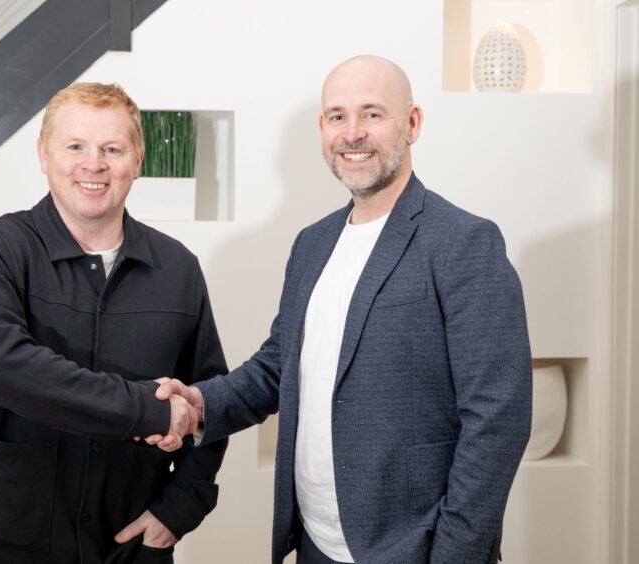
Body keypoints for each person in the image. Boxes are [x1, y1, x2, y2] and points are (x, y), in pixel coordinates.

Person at [151, 55, 532, 564]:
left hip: (414, 549)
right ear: (322, 129)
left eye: (372, 114)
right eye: (337, 116)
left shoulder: (464, 242)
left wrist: (454, 553)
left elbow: (498, 418)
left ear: (412, 123)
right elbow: (278, 366)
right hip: (315, 544)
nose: (352, 133)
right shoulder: (312, 245)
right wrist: (199, 404)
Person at [0, 82, 227, 564]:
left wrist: (181, 506)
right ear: (43, 154)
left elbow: (209, 399)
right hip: (4, 544)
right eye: (75, 146)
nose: (92, 164)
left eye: (112, 149)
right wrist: (148, 409)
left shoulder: (179, 269)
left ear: (137, 160)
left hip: (129, 549)